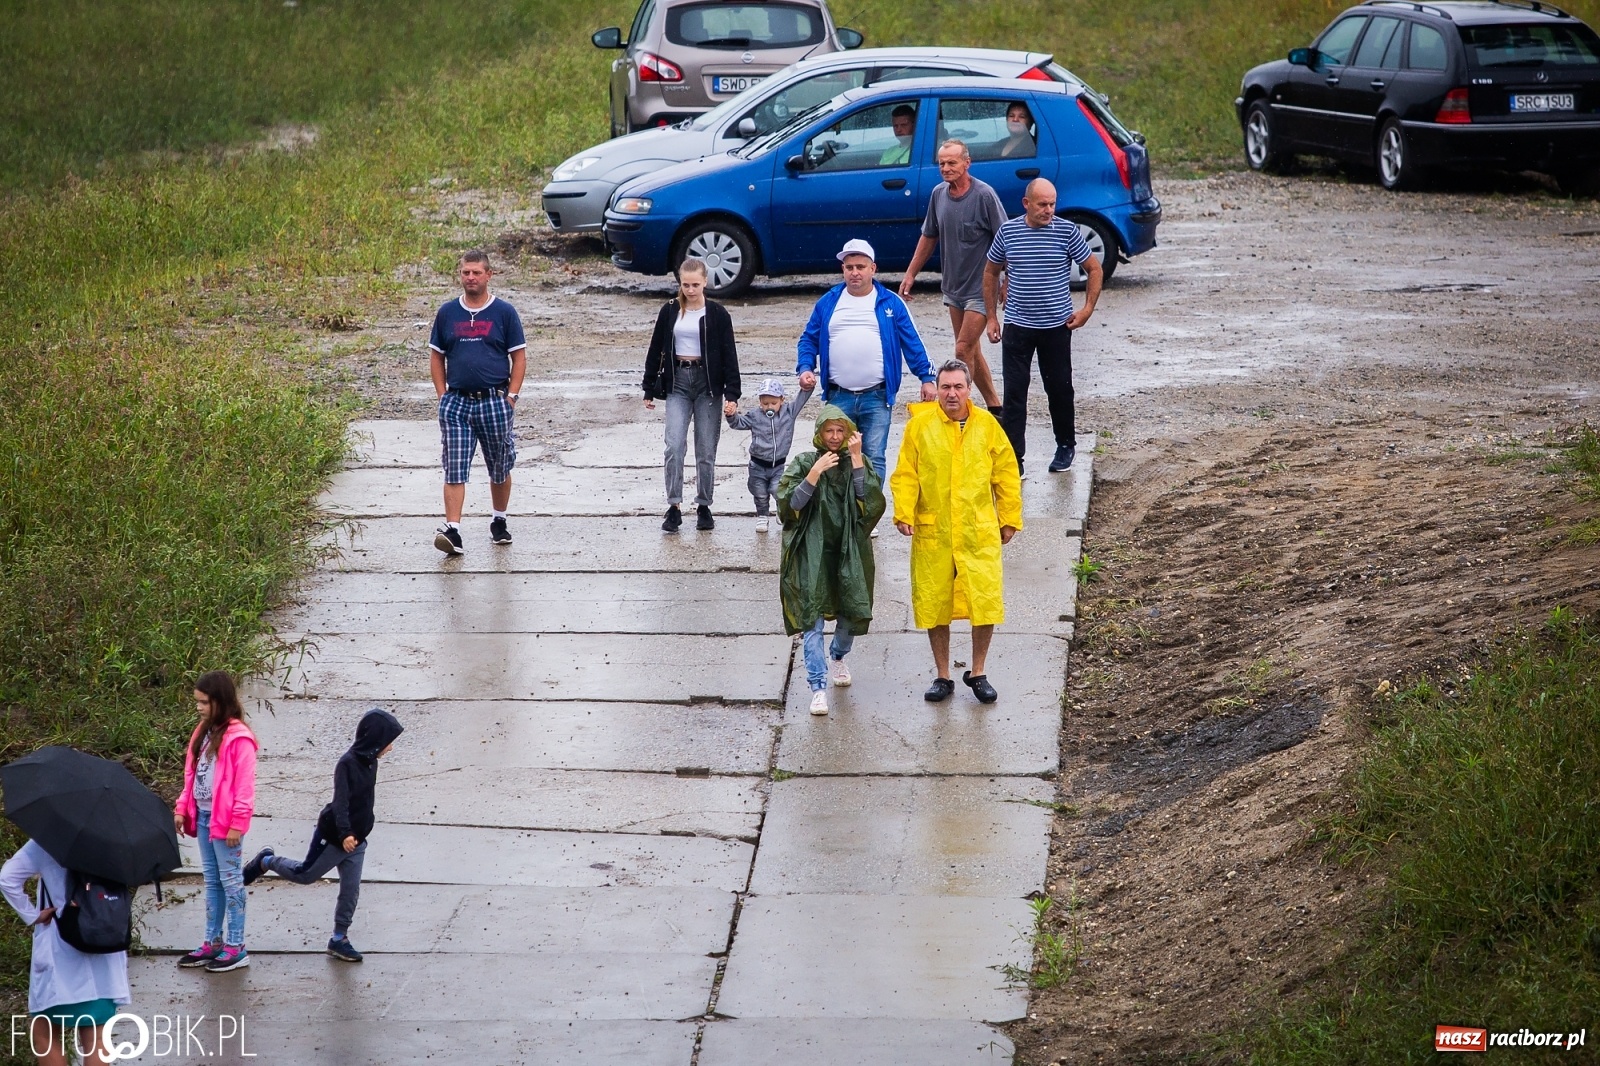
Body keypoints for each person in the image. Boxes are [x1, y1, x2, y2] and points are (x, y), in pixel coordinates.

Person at [891, 359, 1022, 704]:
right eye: (945, 387)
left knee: (984, 598)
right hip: (935, 527)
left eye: (958, 387)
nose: (952, 394)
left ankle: (978, 671)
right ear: (938, 389)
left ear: (969, 389)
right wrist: (904, 511)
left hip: (977, 528)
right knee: (935, 600)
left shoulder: (987, 427)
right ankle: (942, 675)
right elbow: (906, 473)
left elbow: (1006, 473)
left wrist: (1008, 518)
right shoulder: (919, 427)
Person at [243, 708, 404, 964]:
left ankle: (339, 938)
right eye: (388, 742)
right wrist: (345, 833)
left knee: (350, 890)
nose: (391, 748)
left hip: (357, 841)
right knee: (305, 875)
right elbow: (341, 803)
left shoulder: (371, 762)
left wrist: (360, 833)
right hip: (334, 835)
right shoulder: (347, 764)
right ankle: (266, 861)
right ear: (375, 741)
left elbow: (364, 801)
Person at [795, 238, 936, 502]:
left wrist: (927, 377)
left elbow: (912, 342)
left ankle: (866, 511)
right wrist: (805, 367)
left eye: (860, 266)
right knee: (835, 456)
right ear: (843, 270)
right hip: (838, 397)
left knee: (873, 456)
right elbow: (808, 339)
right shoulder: (828, 302)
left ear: (873, 268)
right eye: (849, 267)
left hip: (877, 396)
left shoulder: (891, 303)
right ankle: (838, 512)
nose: (855, 272)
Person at [983, 178, 1102, 476]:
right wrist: (991, 317)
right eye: (1042, 205)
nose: (1049, 210)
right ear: (1027, 204)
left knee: (1059, 389)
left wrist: (1087, 309)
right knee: (1014, 394)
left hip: (1056, 327)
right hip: (1018, 326)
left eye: (1052, 204)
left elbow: (1094, 268)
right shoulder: (1008, 232)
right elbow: (990, 272)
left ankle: (1065, 445)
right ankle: (1015, 457)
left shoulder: (1066, 231)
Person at [777, 406, 885, 715]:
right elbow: (788, 507)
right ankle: (817, 687)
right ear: (819, 434)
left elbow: (871, 505)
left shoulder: (857, 462)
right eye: (829, 431)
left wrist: (857, 462)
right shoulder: (804, 462)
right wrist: (814, 473)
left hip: (848, 550)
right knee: (811, 618)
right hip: (811, 552)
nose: (835, 437)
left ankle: (837, 655)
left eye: (840, 431)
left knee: (851, 610)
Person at [429, 249, 528, 555]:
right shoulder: (448, 313)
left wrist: (511, 397)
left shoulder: (504, 312)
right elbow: (436, 356)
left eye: (476, 272)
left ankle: (499, 520)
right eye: (465, 272)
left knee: (499, 466)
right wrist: (442, 396)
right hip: (457, 403)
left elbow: (519, 357)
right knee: (454, 466)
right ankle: (453, 531)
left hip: (494, 402)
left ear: (489, 275)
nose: (470, 278)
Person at [898, 138, 1007, 410]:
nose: (945, 168)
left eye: (952, 163)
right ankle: (995, 407)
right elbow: (928, 236)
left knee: (961, 350)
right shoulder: (938, 194)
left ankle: (960, 409)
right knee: (971, 348)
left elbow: (1007, 240)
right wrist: (911, 274)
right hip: (953, 288)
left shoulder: (984, 195)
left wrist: (1009, 280)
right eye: (941, 163)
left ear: (967, 163)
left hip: (982, 288)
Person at [2, 841, 130, 1065]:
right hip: (105, 947)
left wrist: (32, 914)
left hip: (61, 952)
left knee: (44, 1034)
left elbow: (7, 878)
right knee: (97, 1037)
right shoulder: (114, 838)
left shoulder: (48, 840)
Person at [643, 258, 742, 533]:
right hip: (678, 381)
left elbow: (729, 355)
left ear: (705, 282)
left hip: (708, 384)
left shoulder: (718, 314)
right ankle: (673, 506)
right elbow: (656, 348)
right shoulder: (671, 310)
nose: (690, 289)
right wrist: (649, 386)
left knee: (706, 449)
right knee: (674, 445)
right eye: (685, 284)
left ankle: (704, 505)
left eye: (695, 284)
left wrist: (733, 393)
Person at [173, 670, 259, 973]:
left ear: (220, 702)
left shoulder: (240, 739)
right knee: (212, 881)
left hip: (226, 823)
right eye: (197, 701)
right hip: (205, 815)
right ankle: (213, 941)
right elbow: (191, 774)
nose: (199, 707)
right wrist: (182, 807)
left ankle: (237, 946)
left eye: (204, 702)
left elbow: (245, 788)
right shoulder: (203, 732)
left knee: (232, 881)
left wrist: (238, 823)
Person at [724, 376, 813, 533]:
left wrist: (808, 386)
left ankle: (781, 510)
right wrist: (732, 415)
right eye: (765, 403)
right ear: (760, 402)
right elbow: (738, 423)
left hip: (778, 465)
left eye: (773, 403)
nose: (769, 407)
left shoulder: (789, 413)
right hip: (757, 465)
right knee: (759, 493)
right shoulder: (755, 416)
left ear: (782, 400)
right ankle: (762, 515)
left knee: (778, 490)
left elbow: (801, 399)